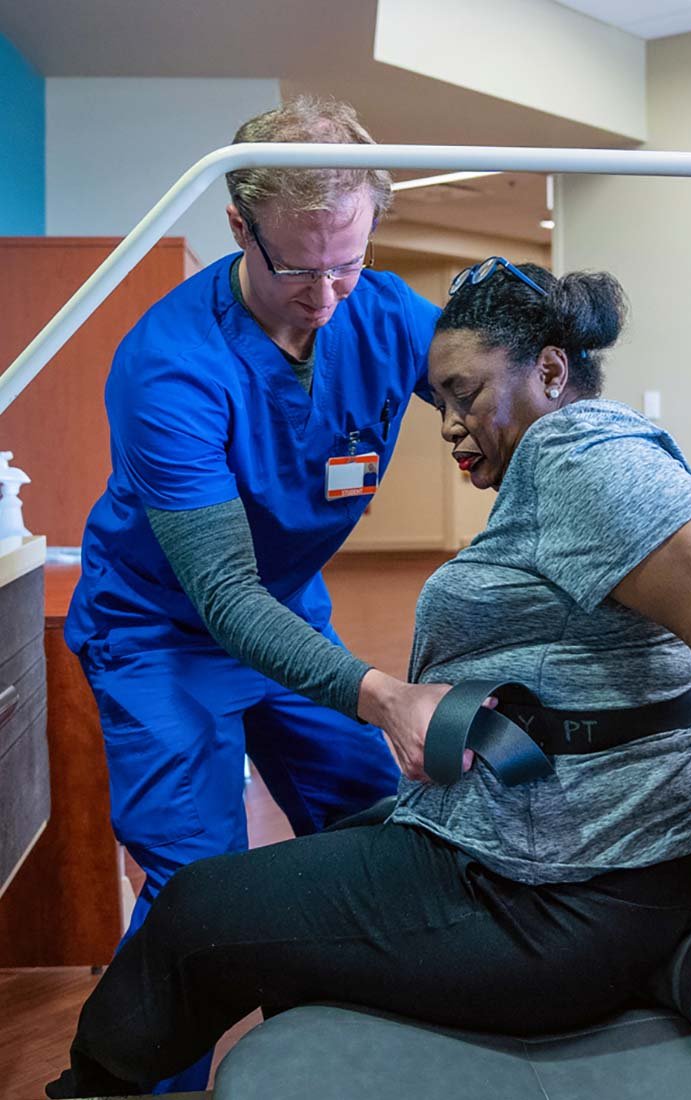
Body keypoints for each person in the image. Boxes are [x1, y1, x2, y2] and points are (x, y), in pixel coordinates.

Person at [46, 259, 691, 1098]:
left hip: (558, 897)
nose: (445, 421)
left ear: (551, 372)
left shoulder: (579, 454)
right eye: (437, 398)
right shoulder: (573, 457)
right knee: (311, 865)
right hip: (553, 855)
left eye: (465, 393)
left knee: (194, 915)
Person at [62, 97, 444, 1091]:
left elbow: (507, 393)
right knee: (201, 890)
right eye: (295, 266)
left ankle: (339, 1057)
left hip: (286, 599)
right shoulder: (169, 365)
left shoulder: (386, 312)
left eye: (346, 262)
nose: (324, 296)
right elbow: (223, 592)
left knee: (368, 824)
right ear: (238, 228)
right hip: (161, 630)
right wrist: (381, 691)